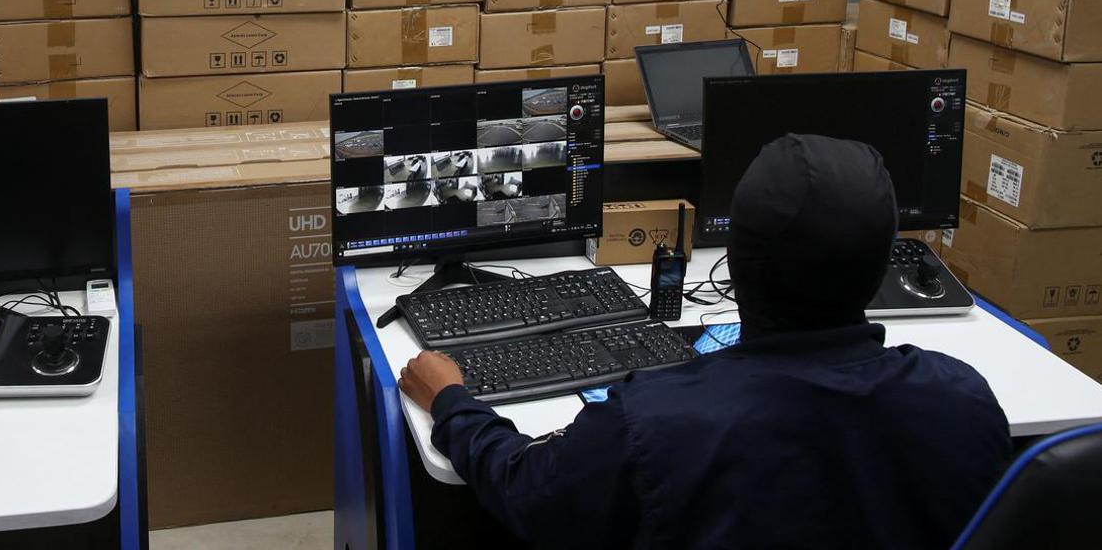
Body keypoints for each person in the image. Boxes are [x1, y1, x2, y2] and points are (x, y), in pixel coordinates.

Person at [398, 134, 1012, 550]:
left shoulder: (654, 421)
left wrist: (453, 402)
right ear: (883, 269)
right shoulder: (962, 399)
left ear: (734, 264)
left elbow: (526, 489)